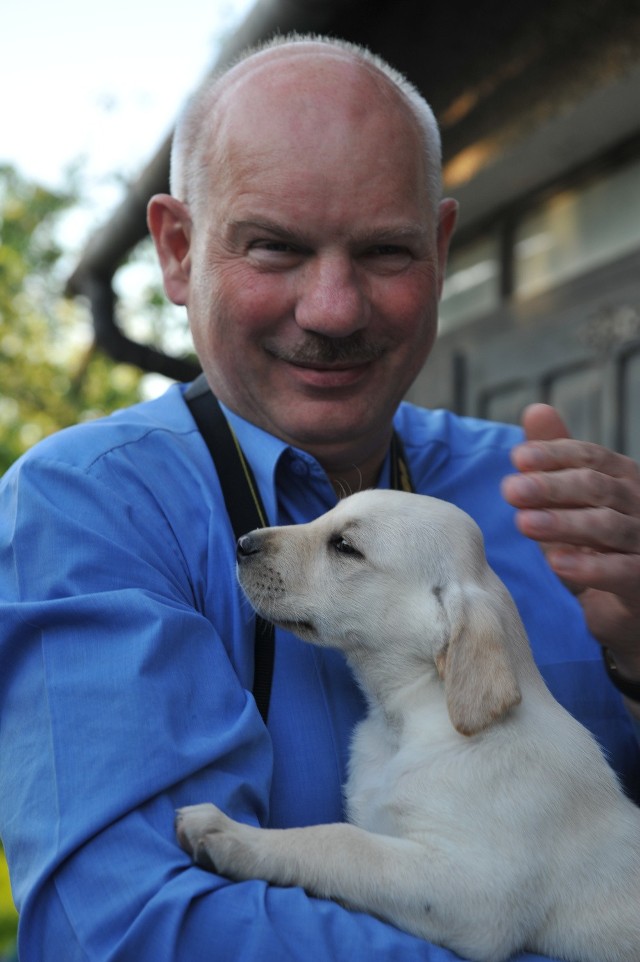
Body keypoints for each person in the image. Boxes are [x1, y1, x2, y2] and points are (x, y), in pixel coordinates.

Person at [0, 33, 638, 962]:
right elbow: (126, 931)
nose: (335, 309)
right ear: (178, 253)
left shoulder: (554, 501)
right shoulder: (92, 510)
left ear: (443, 248)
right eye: (275, 247)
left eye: (385, 251)